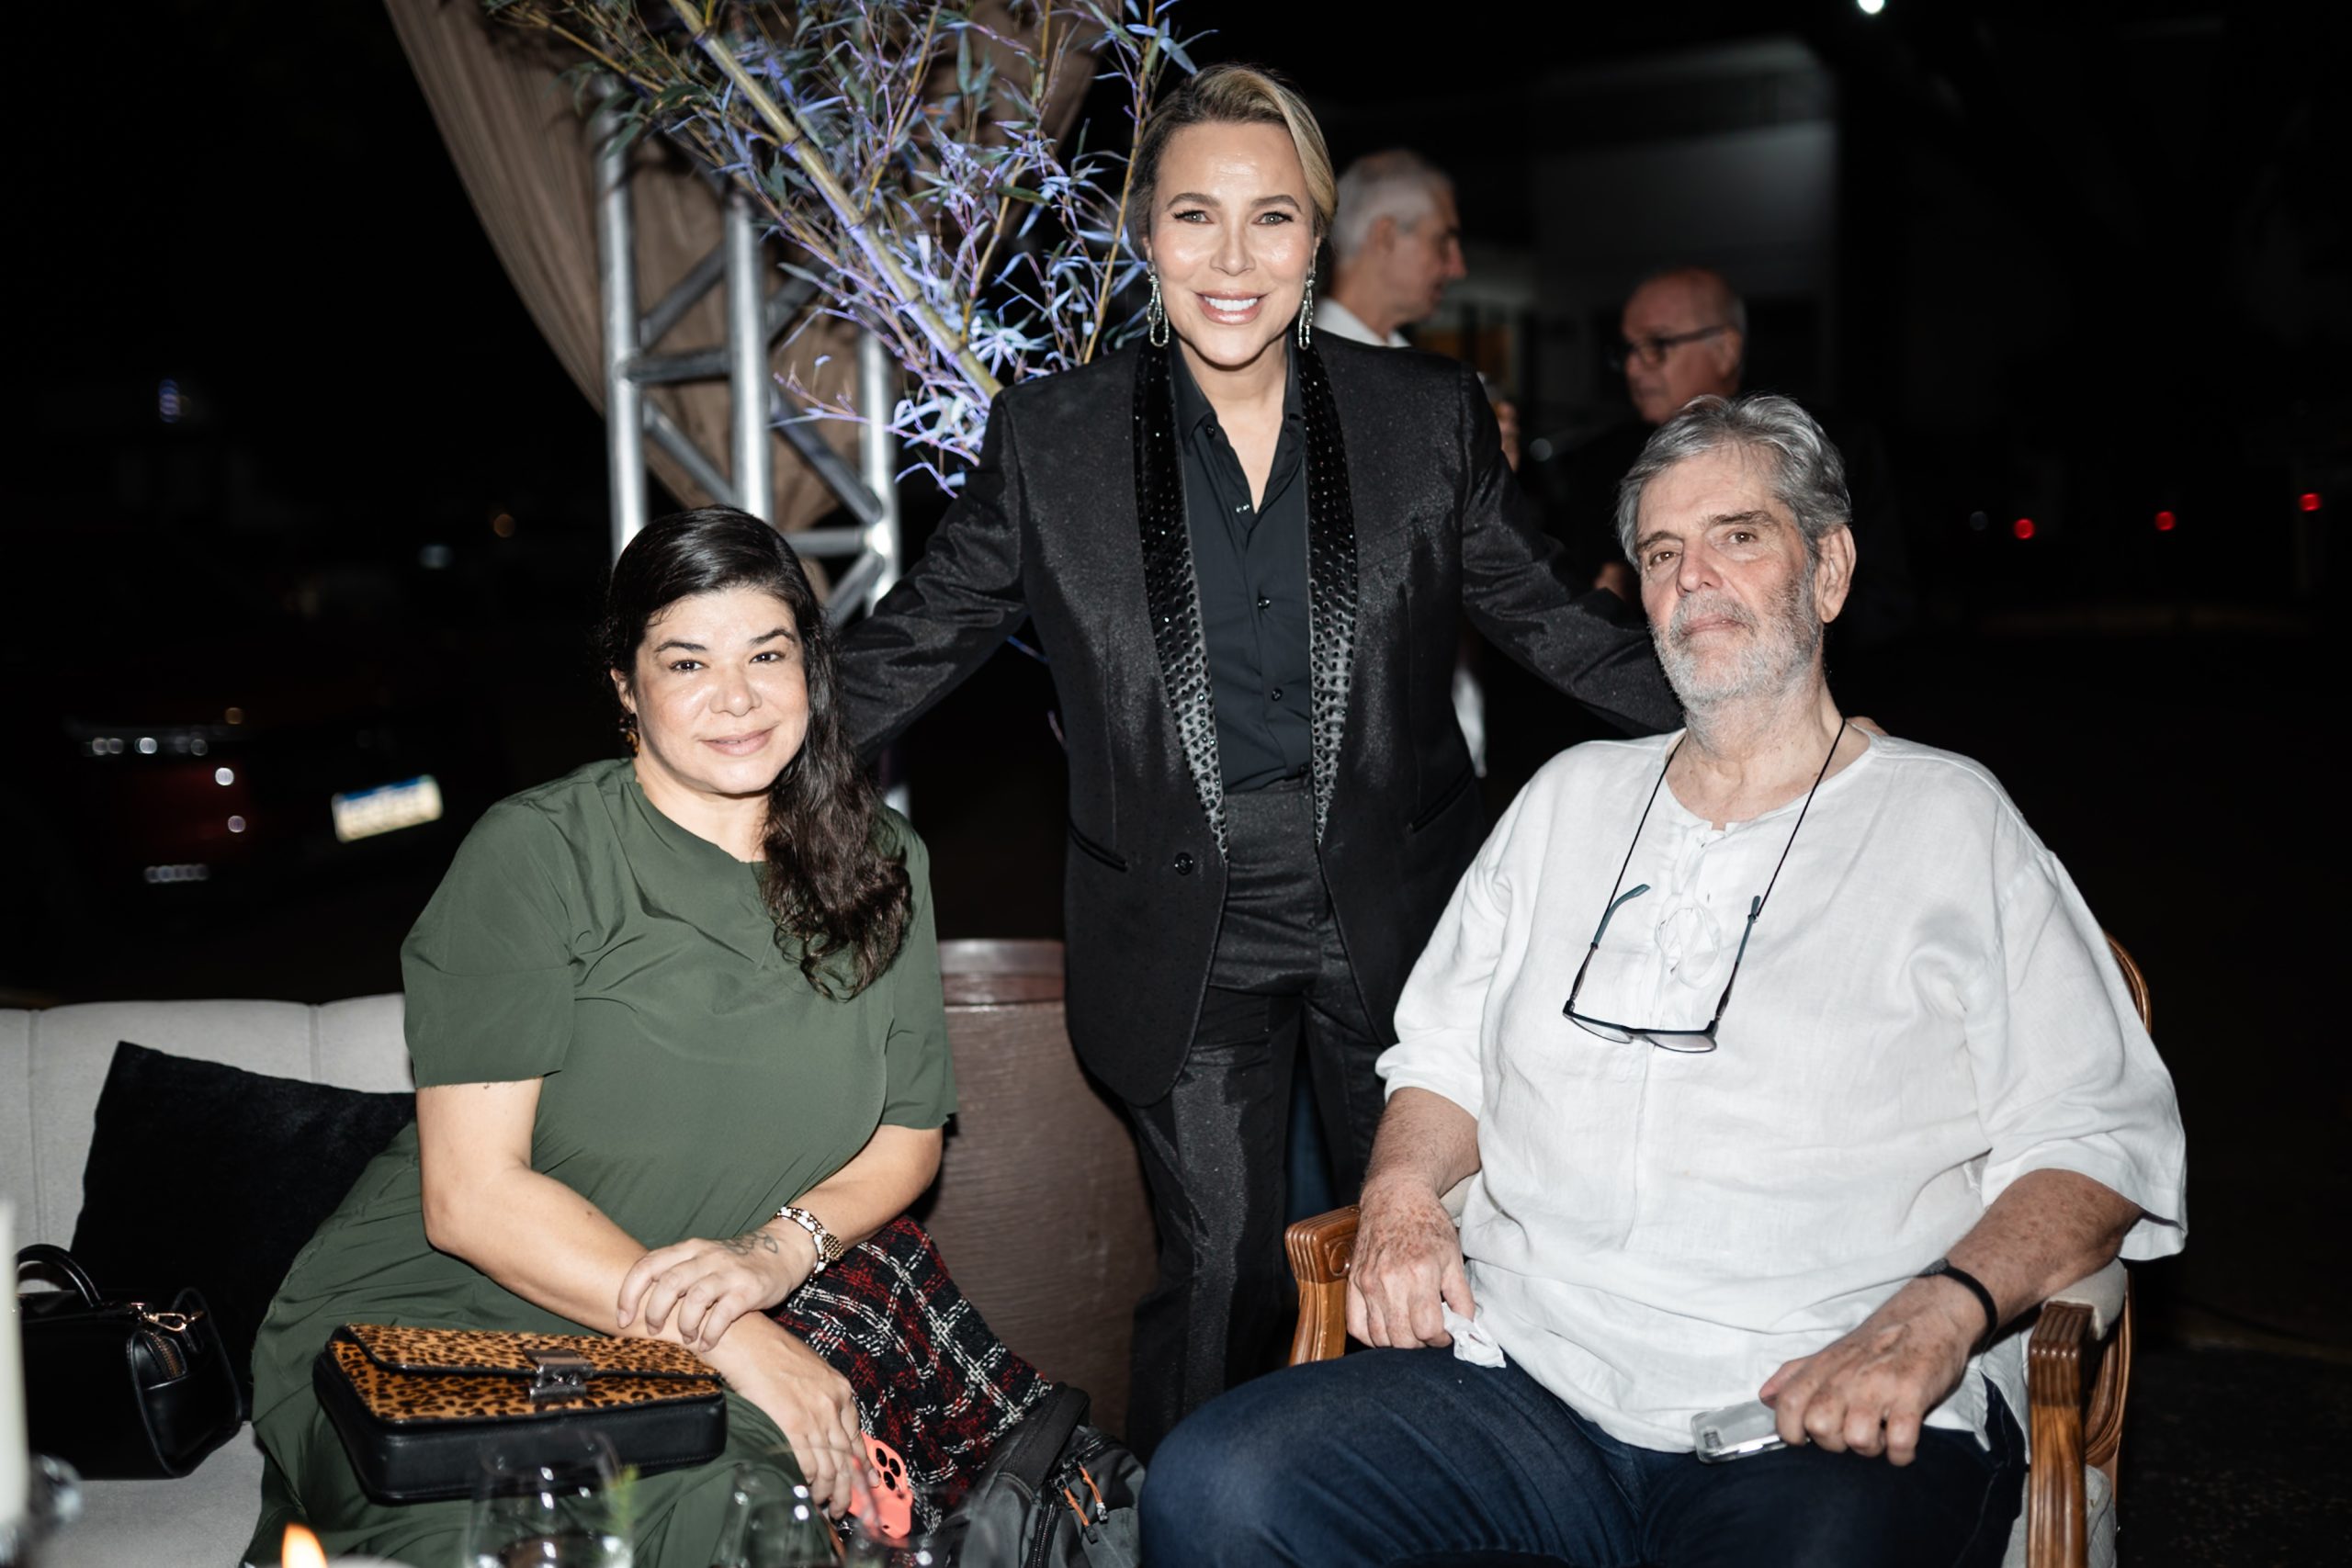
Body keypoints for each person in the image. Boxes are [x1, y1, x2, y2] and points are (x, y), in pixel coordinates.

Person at [1141, 393, 2187, 1567]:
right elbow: (1442, 1061)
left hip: (1820, 1403)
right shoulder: (1566, 800)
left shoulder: (1948, 822)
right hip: (1526, 1376)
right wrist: (1398, 1200)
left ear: (1830, 570)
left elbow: (2097, 1140)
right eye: (1660, 553)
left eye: (1739, 536)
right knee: (1214, 1487)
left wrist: (1944, 1311)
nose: (1694, 577)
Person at [834, 63, 1679, 1455]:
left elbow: (1550, 621)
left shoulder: (1425, 417)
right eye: (1195, 217)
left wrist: (1773, 722)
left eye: (1271, 218)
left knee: (1433, 1259)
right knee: (1223, 1277)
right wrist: (731, 747)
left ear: (1316, 238)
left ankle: (1437, 1506)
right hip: (1182, 923)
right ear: (1146, 235)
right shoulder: (1054, 439)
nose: (1232, 259)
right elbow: (917, 639)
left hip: (1399, 908)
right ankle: (1189, 1518)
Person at [244, 510, 965, 1565]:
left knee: (747, 1523)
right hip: (444, 1322)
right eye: (688, 662)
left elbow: (908, 1135)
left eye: (767, 655)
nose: (737, 697)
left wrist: (775, 1256)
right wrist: (734, 1336)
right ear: (625, 686)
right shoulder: (539, 854)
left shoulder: (882, 861)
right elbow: (469, 1199)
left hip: (679, 1342)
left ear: (811, 668)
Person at [1550, 266, 1914, 654]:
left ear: (1725, 350)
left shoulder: (1828, 447)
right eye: (1628, 350)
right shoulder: (1598, 464)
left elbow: (1885, 609)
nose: (1633, 368)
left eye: (1657, 345)